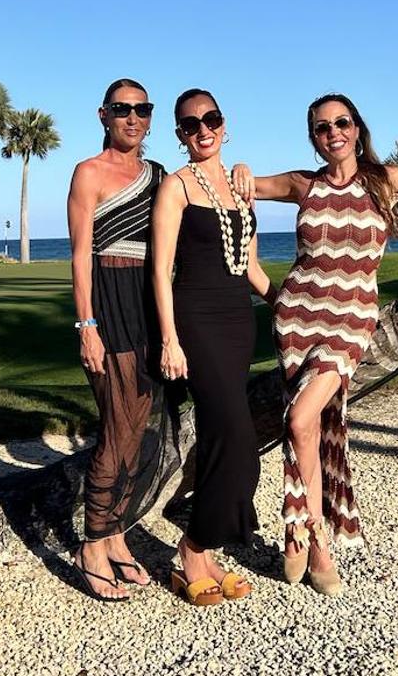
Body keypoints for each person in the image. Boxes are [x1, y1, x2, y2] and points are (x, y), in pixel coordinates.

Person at [233, 92, 398, 595]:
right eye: (322, 128)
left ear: (357, 128)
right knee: (311, 426)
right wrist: (239, 170)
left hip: (350, 321)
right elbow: (239, 191)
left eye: (341, 123)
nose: (333, 133)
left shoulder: (384, 180)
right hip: (296, 318)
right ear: (313, 138)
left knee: (300, 419)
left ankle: (306, 529)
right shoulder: (303, 184)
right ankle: (309, 538)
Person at [151, 88, 275, 606]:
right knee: (236, 437)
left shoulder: (242, 187)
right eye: (189, 124)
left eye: (211, 119)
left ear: (225, 125)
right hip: (195, 320)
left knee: (233, 440)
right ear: (180, 135)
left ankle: (201, 549)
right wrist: (170, 340)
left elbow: (250, 268)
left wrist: (291, 303)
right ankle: (194, 546)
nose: (202, 128)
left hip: (237, 321)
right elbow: (160, 269)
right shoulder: (176, 188)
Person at [66, 78, 178, 602]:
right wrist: (86, 326)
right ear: (103, 114)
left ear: (150, 117)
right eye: (122, 109)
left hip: (148, 304)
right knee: (116, 425)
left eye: (142, 109)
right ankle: (91, 542)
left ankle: (114, 534)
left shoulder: (159, 177)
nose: (132, 117)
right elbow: (79, 256)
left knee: (137, 426)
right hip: (108, 304)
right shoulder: (88, 173)